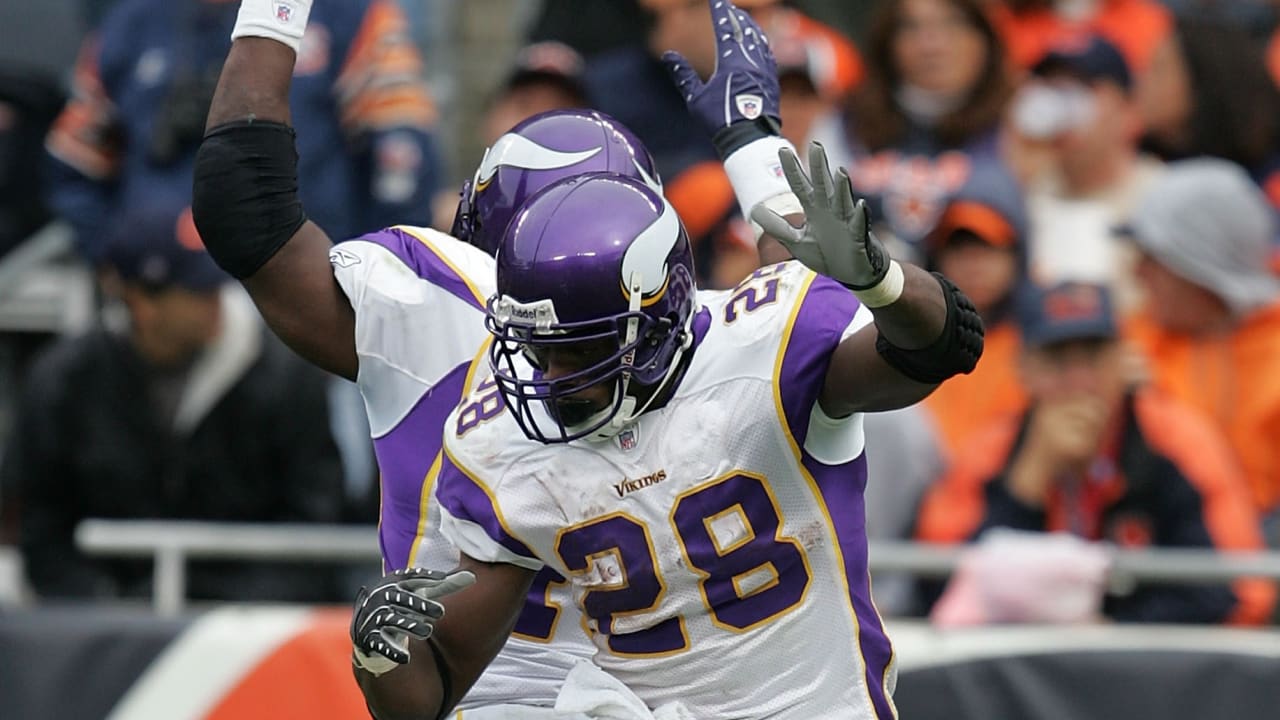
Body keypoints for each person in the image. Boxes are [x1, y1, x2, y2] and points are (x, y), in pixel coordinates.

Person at [346, 8, 985, 720]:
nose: (552, 380)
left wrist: (880, 280)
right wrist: (382, 656)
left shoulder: (762, 352)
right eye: (539, 351)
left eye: (580, 349)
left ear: (656, 313)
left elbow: (939, 349)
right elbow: (430, 693)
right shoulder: (500, 440)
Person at [191, 1, 817, 714]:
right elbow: (812, 294)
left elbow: (244, 210)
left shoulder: (431, 304)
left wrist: (275, 14)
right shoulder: (696, 327)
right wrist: (754, 141)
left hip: (487, 691)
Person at [0, 202, 345, 602]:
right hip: (105, 630)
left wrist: (220, 613)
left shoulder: (287, 376)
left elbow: (316, 529)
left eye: (219, 281)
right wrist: (108, 609)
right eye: (196, 289)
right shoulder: (64, 382)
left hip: (252, 628)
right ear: (141, 303)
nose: (216, 298)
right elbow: (41, 531)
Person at [916, 281, 1275, 625]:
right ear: (1024, 368)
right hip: (1026, 667)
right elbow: (938, 588)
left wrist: (1112, 632)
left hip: (1157, 670)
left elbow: (1243, 590)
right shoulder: (991, 448)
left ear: (1123, 359)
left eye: (1094, 356)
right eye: (1057, 360)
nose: (1079, 381)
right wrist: (1028, 483)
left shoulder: (1178, 440)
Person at [44, 0, 441, 263]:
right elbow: (74, 164)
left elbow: (403, 161)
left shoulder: (350, 13)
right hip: (160, 304)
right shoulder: (129, 23)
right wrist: (121, 262)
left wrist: (365, 277)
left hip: (305, 298)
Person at [1120, 158, 1280, 544]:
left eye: (1154, 259)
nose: (1136, 273)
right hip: (1163, 548)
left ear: (1201, 270)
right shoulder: (1123, 348)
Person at [835, 0, 1018, 266]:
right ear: (887, 42)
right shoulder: (845, 121)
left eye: (952, 24)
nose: (932, 46)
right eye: (912, 28)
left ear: (984, 38)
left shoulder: (1023, 117)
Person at [1007, 33, 1164, 311]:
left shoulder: (1162, 196)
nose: (1063, 104)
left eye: (1080, 88)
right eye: (1051, 88)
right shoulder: (1022, 193)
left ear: (1127, 108)